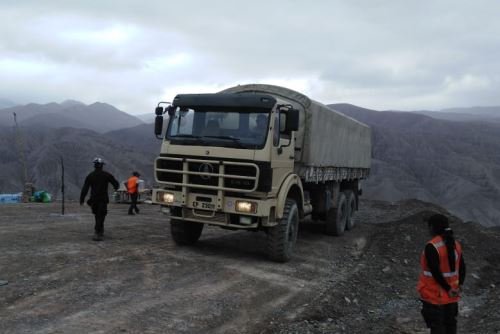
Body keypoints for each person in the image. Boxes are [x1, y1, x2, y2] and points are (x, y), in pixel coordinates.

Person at [417, 214, 466, 334]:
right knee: (450, 326)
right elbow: (462, 267)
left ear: (432, 227)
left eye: (429, 226)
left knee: (438, 328)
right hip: (451, 297)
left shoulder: (432, 246)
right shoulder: (456, 245)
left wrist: (447, 288)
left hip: (435, 297)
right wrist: (459, 286)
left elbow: (435, 272)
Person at [80, 158, 119, 241]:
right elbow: (116, 183)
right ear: (102, 166)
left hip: (93, 199)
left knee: (97, 215)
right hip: (103, 199)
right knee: (101, 215)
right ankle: (98, 232)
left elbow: (85, 188)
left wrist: (82, 199)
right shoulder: (107, 175)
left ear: (94, 165)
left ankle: (99, 230)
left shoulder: (90, 175)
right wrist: (116, 188)